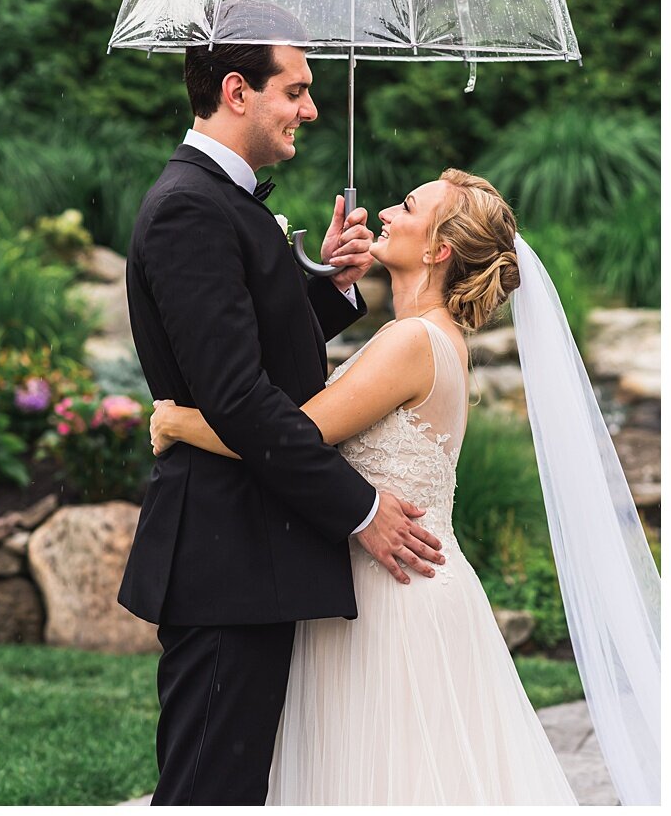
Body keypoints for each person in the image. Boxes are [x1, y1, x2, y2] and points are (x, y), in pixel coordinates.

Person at [149, 170, 581, 803]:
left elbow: (296, 433)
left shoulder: (412, 340)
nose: (384, 212)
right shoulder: (424, 336)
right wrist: (330, 281)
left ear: (438, 250)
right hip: (387, 581)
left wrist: (180, 421)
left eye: (407, 207)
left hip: (394, 599)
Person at [116, 1, 446, 806]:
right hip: (228, 557)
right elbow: (235, 395)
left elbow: (247, 350)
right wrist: (361, 509)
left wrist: (328, 290)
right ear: (237, 89)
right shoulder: (193, 205)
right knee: (207, 792)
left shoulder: (223, 199)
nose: (310, 107)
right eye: (295, 89)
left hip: (250, 552)